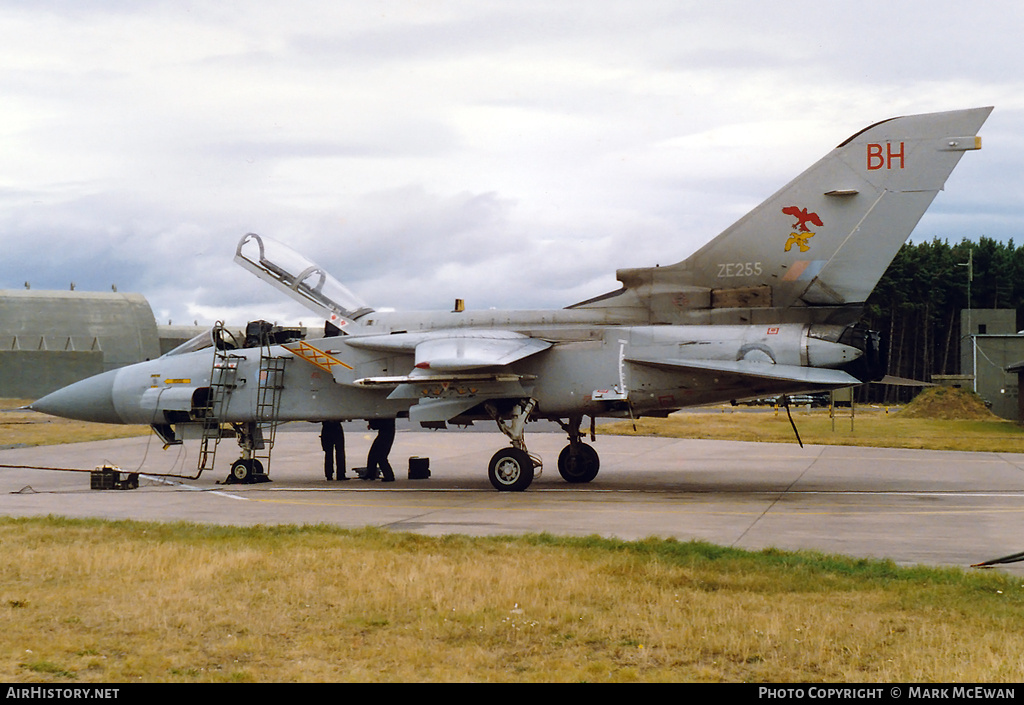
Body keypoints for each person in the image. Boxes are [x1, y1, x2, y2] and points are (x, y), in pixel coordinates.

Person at [366, 418, 396, 483]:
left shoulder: (386, 416)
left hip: (386, 435)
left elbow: (377, 425)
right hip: (385, 434)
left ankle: (389, 476)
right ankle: (370, 474)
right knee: (373, 454)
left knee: (381, 457)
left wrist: (371, 422)